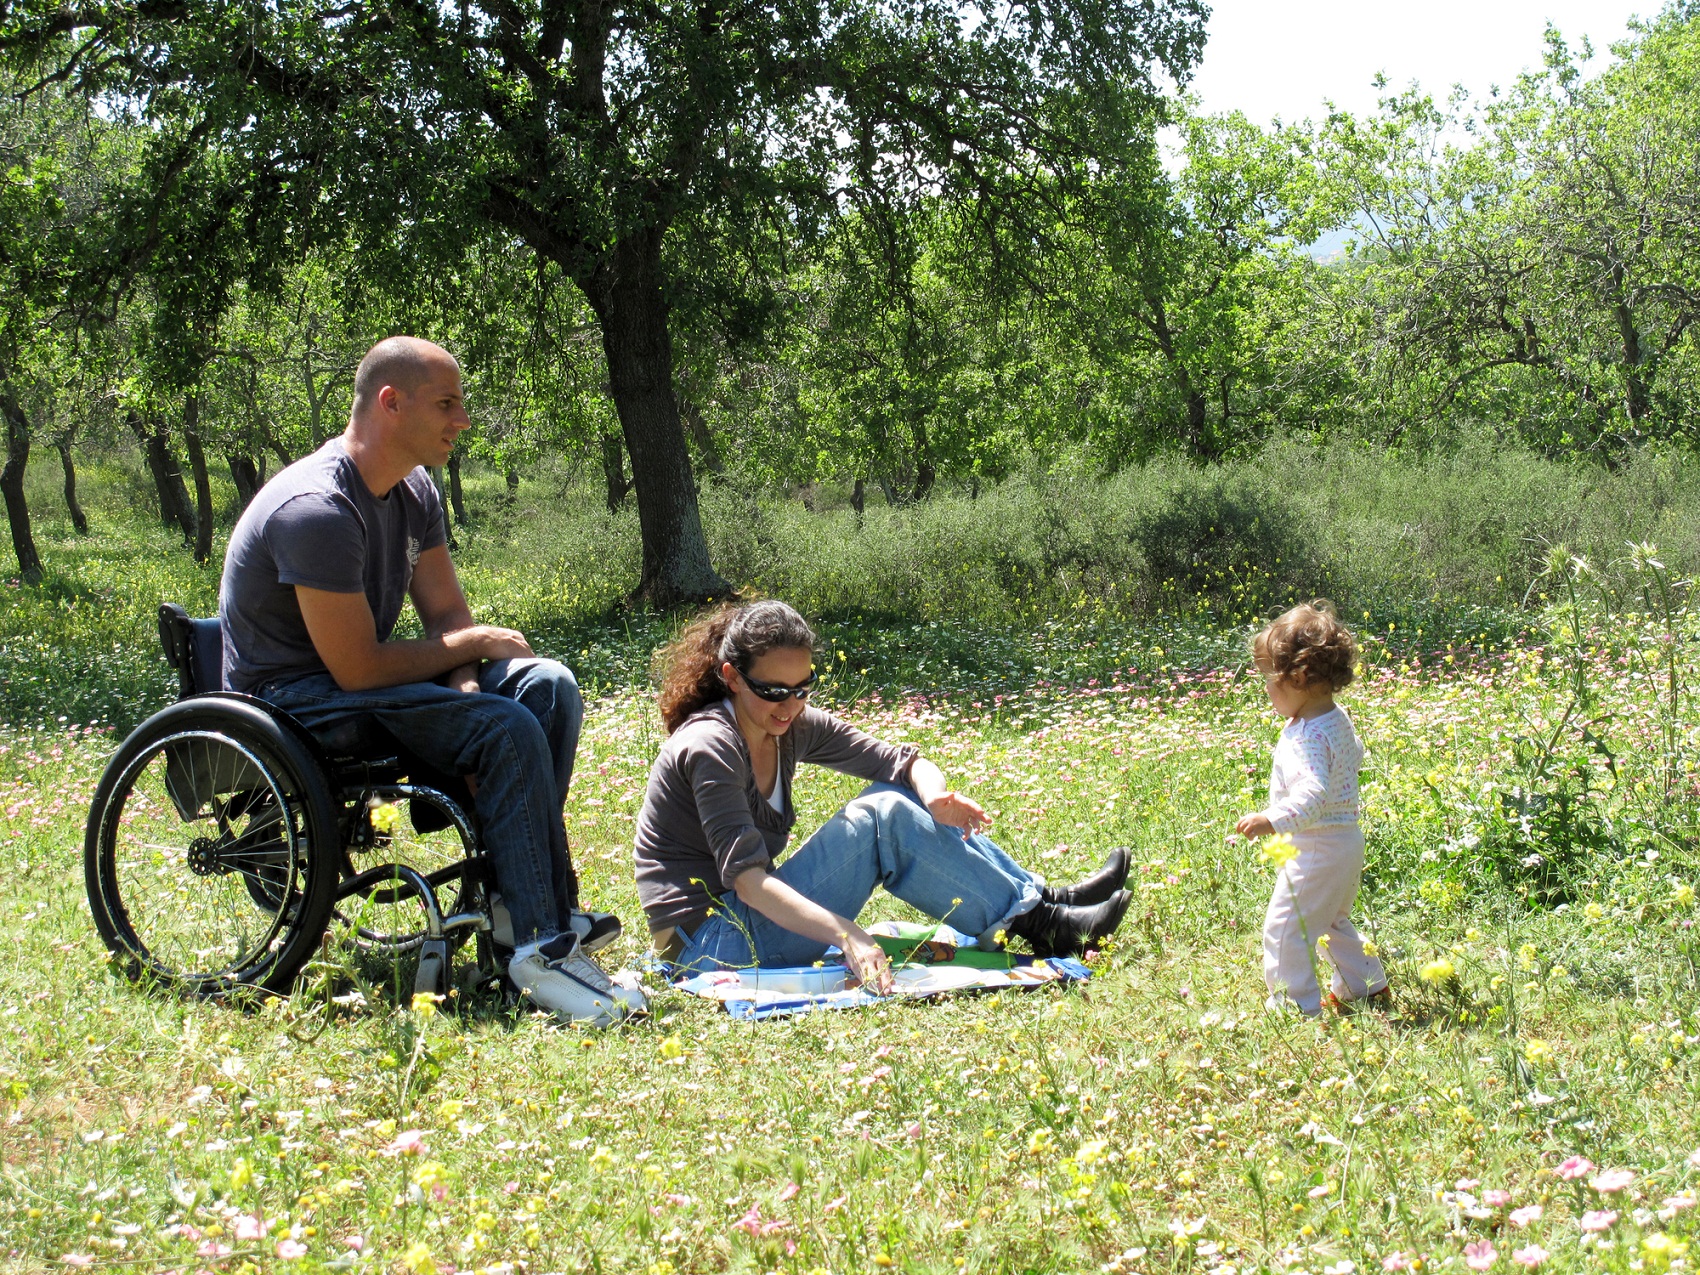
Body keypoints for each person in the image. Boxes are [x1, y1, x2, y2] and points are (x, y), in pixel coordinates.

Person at [219, 336, 642, 1027]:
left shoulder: (413, 489)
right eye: (447, 403)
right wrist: (470, 651)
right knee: (506, 729)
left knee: (547, 688)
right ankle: (541, 946)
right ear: (391, 403)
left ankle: (526, 912)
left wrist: (467, 685)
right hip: (296, 701)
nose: (463, 420)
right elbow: (355, 667)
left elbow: (445, 613)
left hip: (358, 684)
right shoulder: (317, 508)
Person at [633, 600, 1133, 990]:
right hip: (710, 946)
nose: (790, 705)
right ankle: (1043, 926)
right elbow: (747, 882)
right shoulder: (711, 746)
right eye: (774, 690)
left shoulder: (784, 724)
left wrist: (935, 798)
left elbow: (904, 762)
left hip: (744, 921)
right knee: (882, 818)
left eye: (803, 688)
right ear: (731, 677)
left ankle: (1046, 902)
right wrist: (847, 934)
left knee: (901, 791)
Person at [1235, 601, 1390, 1017]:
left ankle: (1294, 1006)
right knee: (1330, 922)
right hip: (1345, 842)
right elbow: (1353, 754)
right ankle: (1366, 986)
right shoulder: (1335, 718)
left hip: (1317, 846)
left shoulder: (1305, 736)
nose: (1265, 688)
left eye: (1268, 678)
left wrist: (1273, 819)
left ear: (1298, 677)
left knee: (1287, 929)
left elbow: (1313, 793)